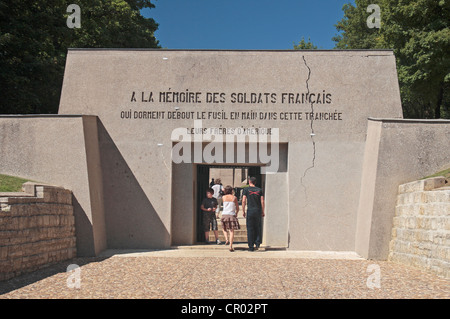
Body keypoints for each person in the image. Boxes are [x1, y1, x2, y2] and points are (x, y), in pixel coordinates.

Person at [242, 176, 264, 251]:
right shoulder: (259, 190)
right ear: (255, 182)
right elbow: (262, 201)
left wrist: (243, 210)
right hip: (257, 210)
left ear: (249, 182)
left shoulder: (246, 189)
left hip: (250, 210)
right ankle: (257, 243)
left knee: (250, 228)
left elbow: (244, 200)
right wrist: (263, 211)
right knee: (257, 227)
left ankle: (251, 246)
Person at [220, 185, 240, 252]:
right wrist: (236, 213)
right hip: (231, 214)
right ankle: (231, 245)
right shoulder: (234, 198)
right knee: (231, 231)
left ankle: (226, 239)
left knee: (224, 228)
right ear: (231, 190)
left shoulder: (223, 197)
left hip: (224, 214)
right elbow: (237, 207)